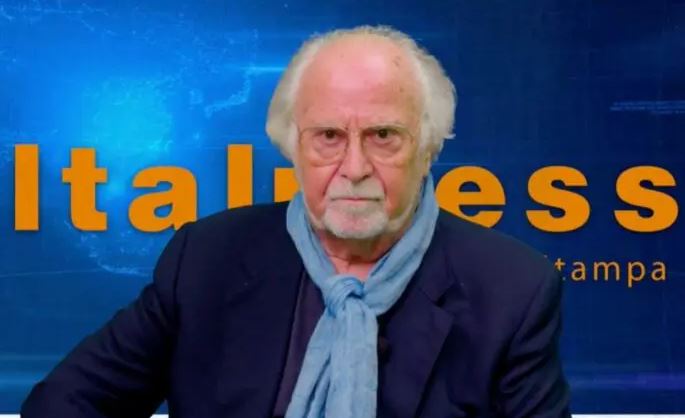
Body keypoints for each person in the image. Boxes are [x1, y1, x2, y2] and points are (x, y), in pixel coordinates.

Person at [22, 25, 571, 417]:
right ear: (292, 147)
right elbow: (62, 404)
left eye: (383, 136)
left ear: (428, 149)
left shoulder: (512, 290)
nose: (354, 168)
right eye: (328, 136)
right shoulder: (207, 259)